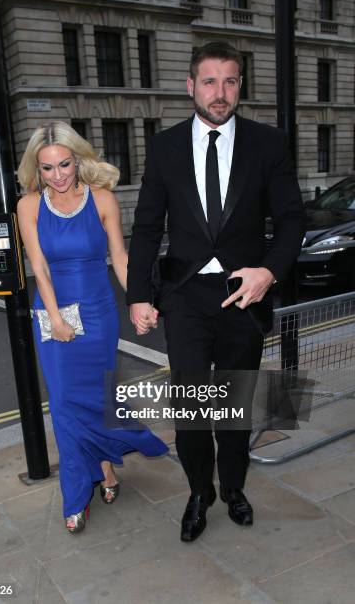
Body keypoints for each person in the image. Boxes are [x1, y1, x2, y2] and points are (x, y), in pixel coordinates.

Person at [127, 42, 305, 542]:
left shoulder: (268, 144)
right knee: (191, 409)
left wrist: (267, 272)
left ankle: (233, 488)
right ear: (191, 86)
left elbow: (292, 220)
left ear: (240, 86)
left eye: (230, 81)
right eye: (210, 81)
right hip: (183, 295)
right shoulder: (164, 147)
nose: (220, 92)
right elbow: (145, 227)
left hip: (242, 294)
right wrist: (139, 294)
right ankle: (198, 492)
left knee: (232, 403)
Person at [17, 121, 168, 534]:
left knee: (99, 399)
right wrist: (58, 319)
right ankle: (77, 494)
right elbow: (40, 268)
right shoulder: (28, 206)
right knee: (65, 405)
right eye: (47, 168)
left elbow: (120, 257)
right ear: (37, 169)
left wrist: (140, 299)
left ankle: (107, 470)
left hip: (99, 313)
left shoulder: (102, 199)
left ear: (78, 159)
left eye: (64, 164)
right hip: (53, 314)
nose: (58, 175)